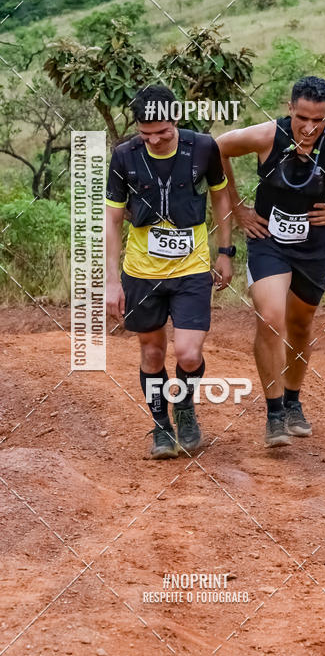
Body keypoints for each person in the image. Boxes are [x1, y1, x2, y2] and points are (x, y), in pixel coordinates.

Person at [217, 75, 325, 447]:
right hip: (267, 239)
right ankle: (274, 413)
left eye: (319, 120)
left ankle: (293, 401)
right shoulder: (267, 136)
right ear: (289, 109)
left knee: (300, 325)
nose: (310, 127)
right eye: (302, 118)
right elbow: (217, 149)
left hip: (313, 244)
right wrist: (238, 209)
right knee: (270, 317)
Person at [105, 84, 235, 459]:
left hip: (192, 266)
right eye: (146, 134)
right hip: (142, 270)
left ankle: (185, 407)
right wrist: (112, 280)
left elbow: (220, 194)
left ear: (175, 119)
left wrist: (225, 251)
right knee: (152, 353)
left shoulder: (203, 147)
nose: (155, 140)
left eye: (163, 132)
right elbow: (112, 220)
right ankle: (161, 426)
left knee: (189, 354)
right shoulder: (124, 156)